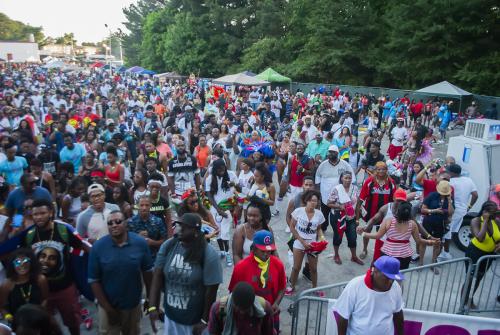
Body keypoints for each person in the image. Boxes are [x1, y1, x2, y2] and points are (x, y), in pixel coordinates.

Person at [19, 198, 89, 335]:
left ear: (51, 212)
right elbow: (22, 259)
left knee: (73, 323)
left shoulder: (63, 230)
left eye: (42, 213)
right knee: (45, 325)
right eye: (35, 214)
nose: (39, 217)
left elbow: (82, 247)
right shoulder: (29, 235)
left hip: (65, 287)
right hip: (41, 291)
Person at [148, 213, 223, 335]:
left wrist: (204, 321)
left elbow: (211, 290)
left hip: (194, 322)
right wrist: (153, 307)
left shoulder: (208, 254)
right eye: (178, 225)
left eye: (185, 227)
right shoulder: (169, 245)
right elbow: (157, 276)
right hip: (171, 318)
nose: (180, 229)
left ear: (195, 231)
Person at [88, 210, 153, 335]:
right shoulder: (98, 247)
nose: (114, 225)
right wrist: (108, 309)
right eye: (110, 223)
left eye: (118, 221)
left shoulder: (140, 243)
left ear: (126, 223)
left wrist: (150, 298)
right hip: (107, 305)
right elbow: (93, 280)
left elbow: (148, 273)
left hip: (132, 304)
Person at [229, 230, 286, 333]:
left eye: (269, 251)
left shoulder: (278, 264)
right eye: (262, 251)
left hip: (271, 315)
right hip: (249, 317)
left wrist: (276, 303)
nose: (266, 255)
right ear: (254, 249)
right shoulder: (241, 267)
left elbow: (282, 287)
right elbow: (233, 293)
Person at [334, 256, 405, 335]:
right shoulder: (355, 286)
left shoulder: (395, 287)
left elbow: (398, 313)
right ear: (375, 271)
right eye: (387, 278)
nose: (391, 282)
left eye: (393, 278)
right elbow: (343, 317)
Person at [361, 201, 439, 270]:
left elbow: (378, 236)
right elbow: (419, 241)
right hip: (405, 256)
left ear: (398, 211)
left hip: (388, 254)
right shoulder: (412, 224)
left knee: (386, 275)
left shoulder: (389, 221)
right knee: (399, 276)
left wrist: (363, 233)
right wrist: (431, 242)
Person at [286, 190, 326, 296]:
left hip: (313, 245)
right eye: (311, 200)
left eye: (315, 201)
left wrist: (322, 237)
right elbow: (292, 227)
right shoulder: (298, 211)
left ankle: (314, 288)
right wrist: (302, 241)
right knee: (296, 267)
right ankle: (291, 286)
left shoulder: (319, 214)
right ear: (306, 201)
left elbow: (318, 229)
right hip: (299, 243)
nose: (313, 203)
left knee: (313, 268)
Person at [356, 161, 396, 260]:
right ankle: (365, 249)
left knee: (383, 234)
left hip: (385, 215)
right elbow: (360, 200)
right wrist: (357, 218)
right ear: (375, 170)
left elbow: (395, 200)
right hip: (370, 213)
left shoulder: (391, 183)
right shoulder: (369, 182)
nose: (381, 171)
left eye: (383, 169)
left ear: (387, 170)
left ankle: (380, 251)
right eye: (379, 169)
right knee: (367, 230)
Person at [463, 201, 499, 308]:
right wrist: (486, 221)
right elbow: (480, 238)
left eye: (495, 212)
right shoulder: (476, 221)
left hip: (488, 256)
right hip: (474, 254)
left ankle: (470, 299)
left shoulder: (496, 222)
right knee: (470, 278)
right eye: (492, 213)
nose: (495, 215)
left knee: (478, 278)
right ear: (485, 212)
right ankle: (463, 303)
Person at [207, 282, 275, 335]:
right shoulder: (219, 308)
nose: (242, 312)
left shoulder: (264, 308)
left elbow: (269, 332)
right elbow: (213, 332)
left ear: (253, 303)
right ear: (233, 302)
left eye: (246, 309)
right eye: (239, 309)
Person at [0, 249, 49, 322]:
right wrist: (8, 316)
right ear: (12, 265)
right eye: (17, 262)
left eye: (25, 261)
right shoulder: (6, 285)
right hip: (18, 323)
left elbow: (45, 299)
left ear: (31, 262)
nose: (22, 265)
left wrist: (40, 312)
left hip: (39, 318)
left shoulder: (41, 279)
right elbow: (2, 307)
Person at [205, 159, 238, 266]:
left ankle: (228, 253)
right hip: (215, 209)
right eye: (219, 170)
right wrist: (218, 210)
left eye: (223, 169)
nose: (222, 171)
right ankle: (222, 251)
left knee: (225, 232)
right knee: (218, 231)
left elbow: (239, 190)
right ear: (215, 169)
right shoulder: (210, 178)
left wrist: (234, 185)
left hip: (227, 208)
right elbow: (209, 195)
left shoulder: (231, 175)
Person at [315, 145, 354, 232]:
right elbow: (317, 177)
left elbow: (352, 177)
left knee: (337, 214)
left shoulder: (344, 164)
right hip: (325, 195)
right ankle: (323, 228)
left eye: (332, 152)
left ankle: (338, 229)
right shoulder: (323, 165)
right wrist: (318, 192)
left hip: (339, 196)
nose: (330, 154)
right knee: (324, 214)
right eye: (329, 152)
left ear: (337, 153)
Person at [327, 171, 363, 265]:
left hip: (351, 217)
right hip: (338, 217)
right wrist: (339, 207)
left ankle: (354, 256)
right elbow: (329, 203)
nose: (348, 180)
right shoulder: (336, 189)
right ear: (341, 178)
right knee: (338, 236)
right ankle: (336, 255)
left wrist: (357, 219)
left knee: (352, 237)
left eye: (349, 178)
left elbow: (358, 205)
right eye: (346, 178)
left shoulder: (355, 188)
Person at [443, 163, 478, 260]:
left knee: (448, 231)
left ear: (452, 172)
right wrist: (469, 206)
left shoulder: (450, 182)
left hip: (453, 210)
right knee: (453, 230)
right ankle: (444, 250)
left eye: (449, 171)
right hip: (463, 210)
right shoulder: (469, 180)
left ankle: (445, 252)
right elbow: (475, 195)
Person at [419, 180, 454, 270]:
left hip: (440, 224)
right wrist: (434, 210)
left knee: (437, 244)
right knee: (424, 242)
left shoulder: (449, 199)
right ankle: (420, 262)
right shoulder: (432, 195)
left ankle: (433, 263)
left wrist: (450, 201)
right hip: (428, 222)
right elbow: (423, 209)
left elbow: (450, 213)